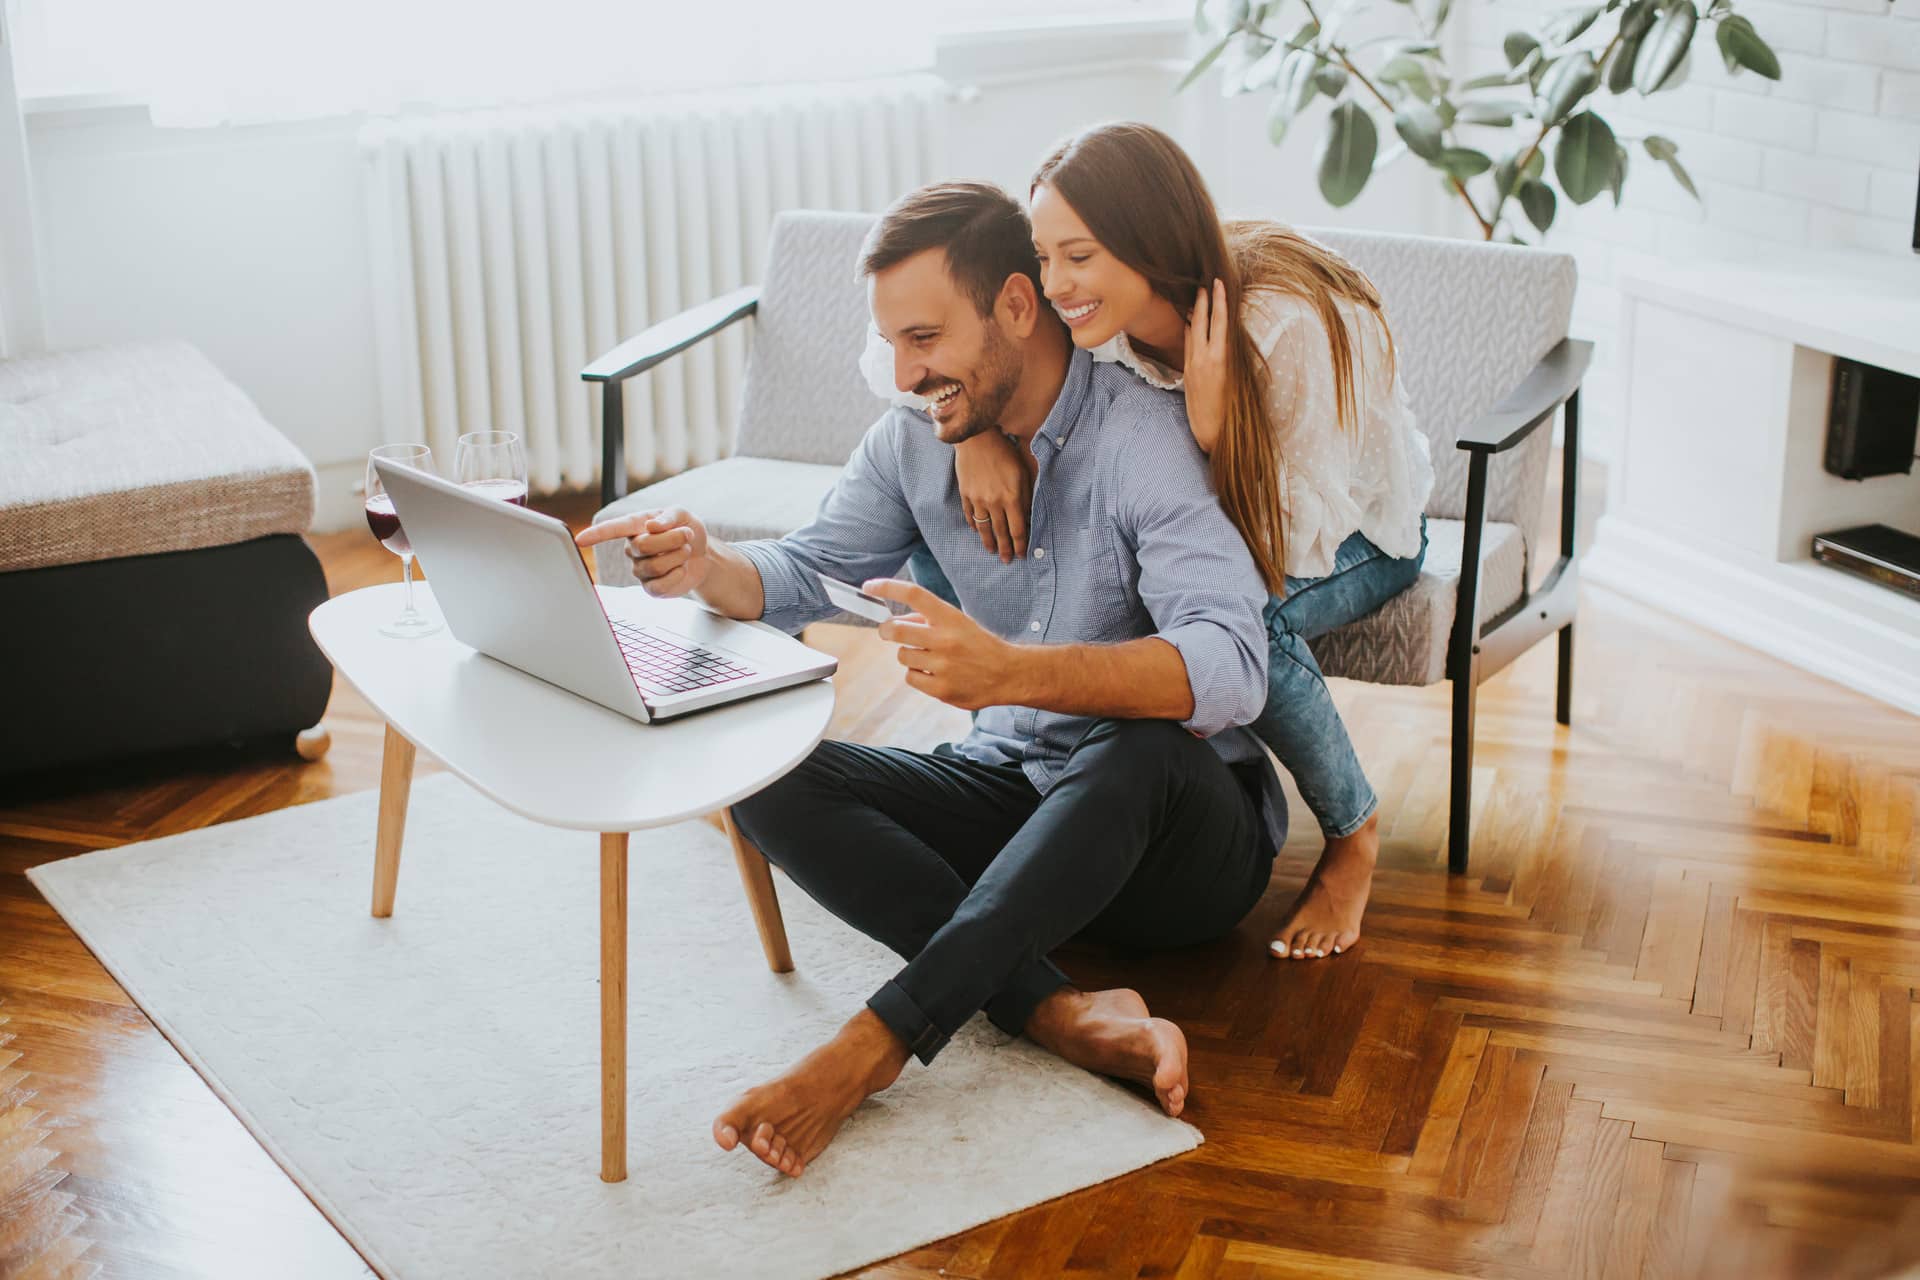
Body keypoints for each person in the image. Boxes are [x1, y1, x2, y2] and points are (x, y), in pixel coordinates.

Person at [575, 180, 1286, 1180]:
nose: (905, 373)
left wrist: (1014, 672)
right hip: (1022, 796)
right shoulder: (920, 436)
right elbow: (814, 566)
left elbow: (1233, 662)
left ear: (1015, 306)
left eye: (923, 338)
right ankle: (1053, 1006)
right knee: (760, 768)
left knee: (1139, 746)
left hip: (1181, 844)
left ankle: (869, 1050)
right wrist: (710, 568)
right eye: (895, 344)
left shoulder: (1141, 441)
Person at [889, 123, 1434, 963]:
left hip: (1349, 530)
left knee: (1248, 620)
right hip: (1235, 530)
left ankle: (1351, 834)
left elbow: (1275, 541)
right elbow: (914, 351)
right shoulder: (1091, 315)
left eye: (1080, 254)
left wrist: (1216, 434)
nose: (1055, 284)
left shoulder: (1285, 324)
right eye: (1044, 255)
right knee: (947, 531)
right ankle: (1028, 750)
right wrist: (974, 435)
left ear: (1145, 237)